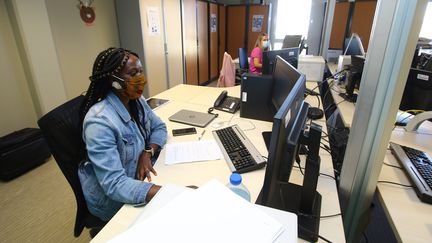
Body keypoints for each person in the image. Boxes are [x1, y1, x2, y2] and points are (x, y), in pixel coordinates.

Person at [78, 47, 167, 221]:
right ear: (114, 81)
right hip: (112, 200)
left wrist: (148, 152)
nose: (140, 78)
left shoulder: (136, 100)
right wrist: (168, 193)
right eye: (133, 73)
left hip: (138, 178)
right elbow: (114, 184)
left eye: (140, 72)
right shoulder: (99, 122)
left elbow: (160, 128)